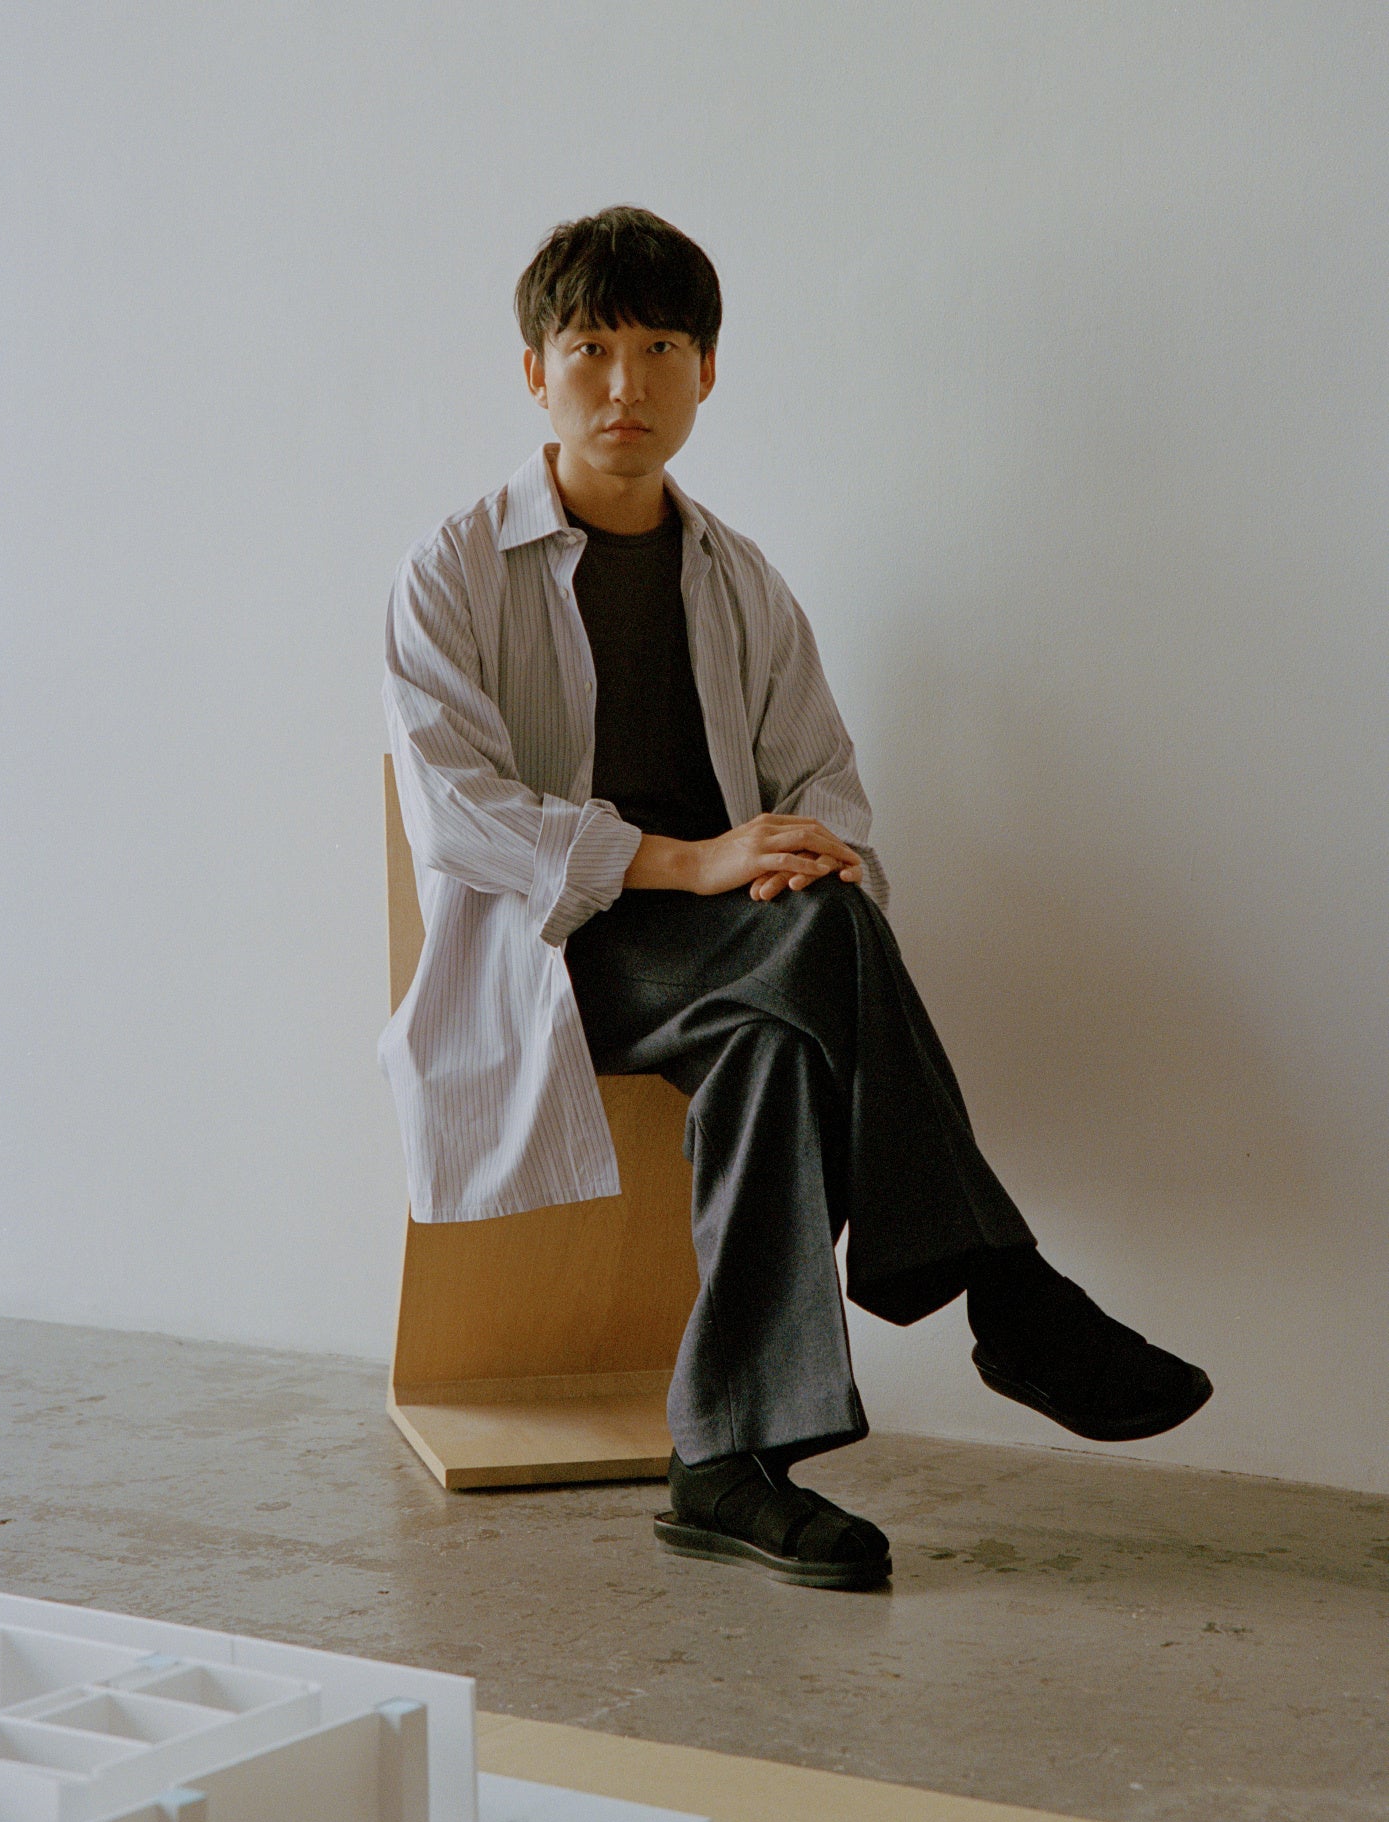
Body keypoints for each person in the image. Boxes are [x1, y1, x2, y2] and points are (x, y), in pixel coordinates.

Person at [379, 205, 1212, 1593]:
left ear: (708, 371)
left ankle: (727, 1464)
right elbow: (456, 811)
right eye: (591, 350)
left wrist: (801, 855)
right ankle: (1000, 1286)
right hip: (552, 959)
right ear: (535, 372)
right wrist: (693, 861)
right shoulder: (453, 571)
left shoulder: (737, 577)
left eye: (662, 349)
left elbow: (825, 778)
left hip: (733, 957)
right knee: (818, 939)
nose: (627, 384)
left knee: (781, 1019)